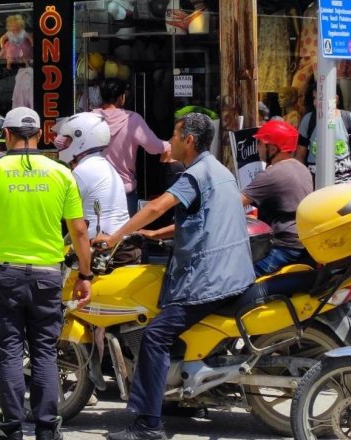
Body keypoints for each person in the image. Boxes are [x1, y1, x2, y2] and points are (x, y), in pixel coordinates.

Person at [93, 113, 254, 440]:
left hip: (209, 280)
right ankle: (183, 400)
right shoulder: (220, 170)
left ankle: (148, 425)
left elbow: (156, 206)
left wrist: (114, 237)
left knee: (154, 336)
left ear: (189, 141)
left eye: (175, 135)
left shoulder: (193, 175)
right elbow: (203, 217)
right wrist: (155, 235)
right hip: (235, 273)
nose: (171, 141)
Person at [0, 107, 93, 440]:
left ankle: (10, 426)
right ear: (41, 134)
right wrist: (85, 274)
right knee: (44, 351)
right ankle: (47, 428)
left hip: (4, 275)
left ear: (7, 135)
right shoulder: (61, 173)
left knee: (9, 350)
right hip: (47, 277)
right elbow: (80, 232)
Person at [243, 120, 313, 276]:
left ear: (272, 148)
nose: (258, 148)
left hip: (283, 247)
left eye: (260, 143)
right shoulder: (301, 168)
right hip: (301, 244)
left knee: (237, 278)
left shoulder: (272, 174)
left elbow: (234, 203)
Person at [93, 78, 171, 216]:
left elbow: (60, 141)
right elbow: (154, 147)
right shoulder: (132, 119)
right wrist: (169, 144)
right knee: (124, 236)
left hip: (95, 191)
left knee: (95, 235)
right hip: (124, 193)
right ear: (121, 97)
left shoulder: (89, 119)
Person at [54, 112, 130, 240]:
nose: (62, 144)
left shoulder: (83, 171)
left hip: (97, 244)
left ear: (81, 138)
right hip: (115, 239)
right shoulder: (102, 164)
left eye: (67, 139)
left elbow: (58, 209)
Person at [296, 86, 351, 184]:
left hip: (344, 187)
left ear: (336, 99)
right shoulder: (308, 120)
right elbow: (300, 154)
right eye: (314, 98)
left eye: (320, 98)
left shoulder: (349, 119)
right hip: (315, 186)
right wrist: (302, 181)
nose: (316, 103)